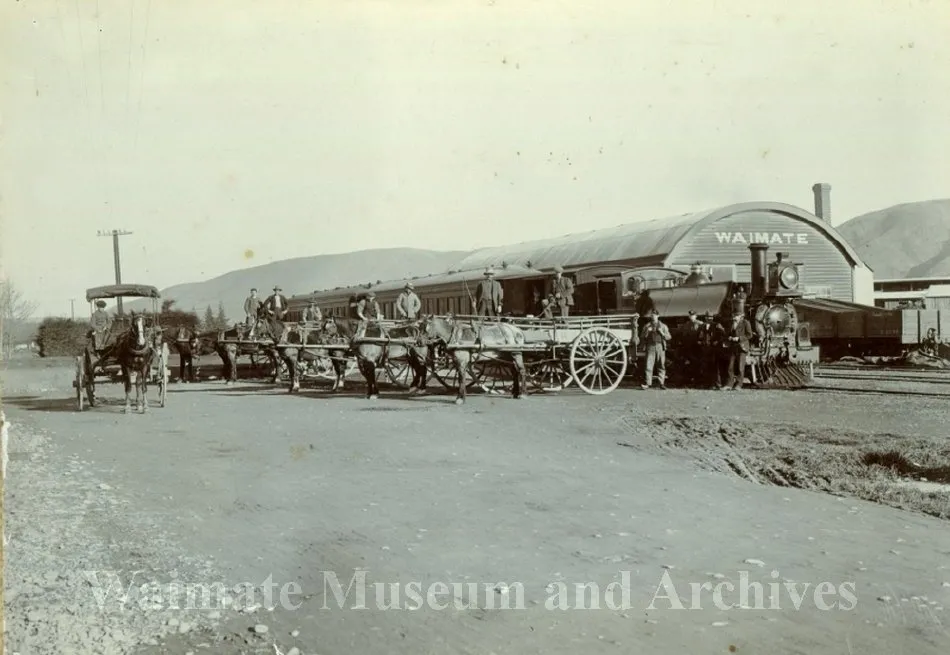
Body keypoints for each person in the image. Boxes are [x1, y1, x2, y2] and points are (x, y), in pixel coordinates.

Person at [640, 309, 671, 389]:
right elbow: (642, 337)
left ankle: (661, 383)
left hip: (660, 346)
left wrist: (662, 333)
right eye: (652, 315)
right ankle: (648, 383)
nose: (653, 316)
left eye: (654, 315)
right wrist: (647, 331)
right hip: (650, 346)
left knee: (661, 365)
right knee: (648, 365)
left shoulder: (663, 326)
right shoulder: (647, 326)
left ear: (658, 316)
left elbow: (668, 337)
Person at [724, 311, 754, 390]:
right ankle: (729, 384)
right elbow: (727, 333)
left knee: (741, 367)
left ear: (741, 316)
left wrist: (739, 338)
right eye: (733, 315)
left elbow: (749, 335)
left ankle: (738, 385)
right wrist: (729, 337)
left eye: (736, 315)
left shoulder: (745, 323)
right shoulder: (731, 323)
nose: (734, 317)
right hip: (733, 347)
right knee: (730, 366)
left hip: (742, 347)